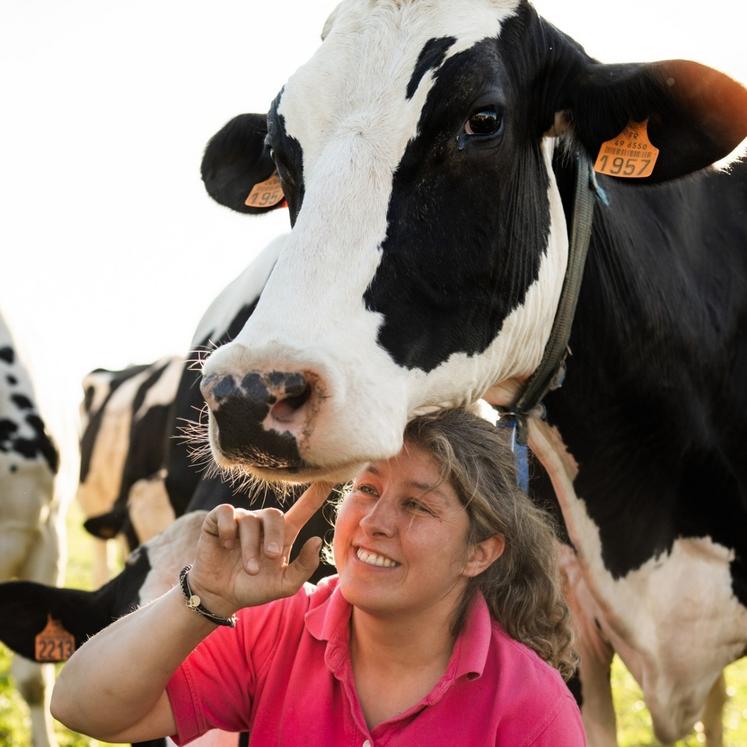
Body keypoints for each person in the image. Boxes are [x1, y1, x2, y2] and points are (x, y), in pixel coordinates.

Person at [51, 408, 586, 745]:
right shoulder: (273, 629)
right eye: (367, 490)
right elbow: (81, 707)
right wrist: (204, 596)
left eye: (417, 507)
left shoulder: (531, 713)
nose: (374, 524)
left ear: (481, 553)